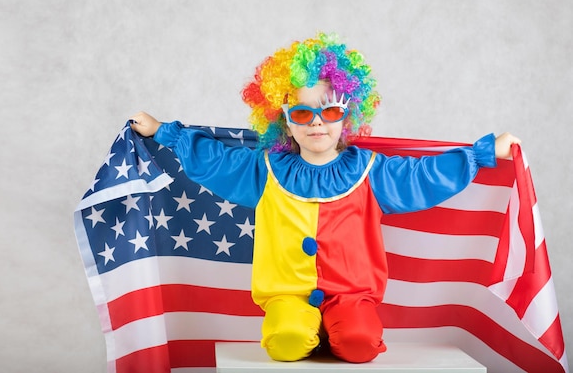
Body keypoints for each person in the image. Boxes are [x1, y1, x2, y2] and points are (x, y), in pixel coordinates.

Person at [130, 33, 521, 364]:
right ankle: (303, 323)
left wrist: (481, 153)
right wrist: (164, 131)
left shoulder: (370, 171)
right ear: (283, 119)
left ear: (346, 115)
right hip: (286, 293)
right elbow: (212, 158)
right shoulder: (263, 171)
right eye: (301, 114)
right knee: (285, 341)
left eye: (329, 110)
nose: (317, 123)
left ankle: (338, 324)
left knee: (360, 342)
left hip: (353, 295)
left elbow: (425, 175)